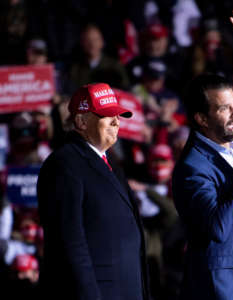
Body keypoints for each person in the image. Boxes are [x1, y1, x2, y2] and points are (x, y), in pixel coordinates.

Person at [172, 10, 233, 300]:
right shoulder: (193, 167)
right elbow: (217, 226)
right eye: (224, 108)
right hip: (222, 290)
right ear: (202, 119)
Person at [37, 83, 149, 300]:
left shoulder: (111, 163)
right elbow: (70, 242)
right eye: (107, 116)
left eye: (118, 115)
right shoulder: (64, 165)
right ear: (81, 121)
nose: (117, 122)